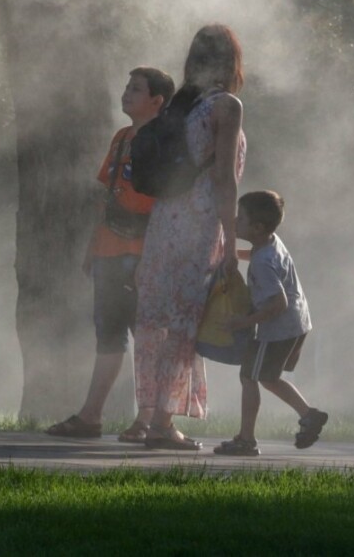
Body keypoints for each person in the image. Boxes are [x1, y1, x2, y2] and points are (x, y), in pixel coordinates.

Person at [46, 66, 175, 443]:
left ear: (157, 101)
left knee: (148, 338)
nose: (126, 93)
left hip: (140, 254)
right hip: (108, 249)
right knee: (109, 336)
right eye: (126, 87)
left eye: (136, 89)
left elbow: (163, 206)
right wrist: (92, 245)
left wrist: (151, 257)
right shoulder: (121, 138)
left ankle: (146, 420)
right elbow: (108, 195)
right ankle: (91, 417)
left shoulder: (161, 142)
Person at [133, 23, 246, 451]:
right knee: (183, 322)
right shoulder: (226, 106)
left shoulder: (183, 107)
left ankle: (149, 416)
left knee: (157, 320)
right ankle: (163, 423)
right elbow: (223, 180)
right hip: (199, 225)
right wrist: (232, 240)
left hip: (164, 222)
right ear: (232, 62)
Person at [215, 189, 327, 456]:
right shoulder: (269, 243)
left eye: (240, 219)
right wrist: (229, 255)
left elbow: (277, 304)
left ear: (257, 227)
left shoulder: (263, 263)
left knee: (249, 376)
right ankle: (309, 415)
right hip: (295, 323)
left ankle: (246, 440)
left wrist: (243, 322)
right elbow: (257, 257)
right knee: (267, 377)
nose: (234, 221)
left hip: (277, 328)